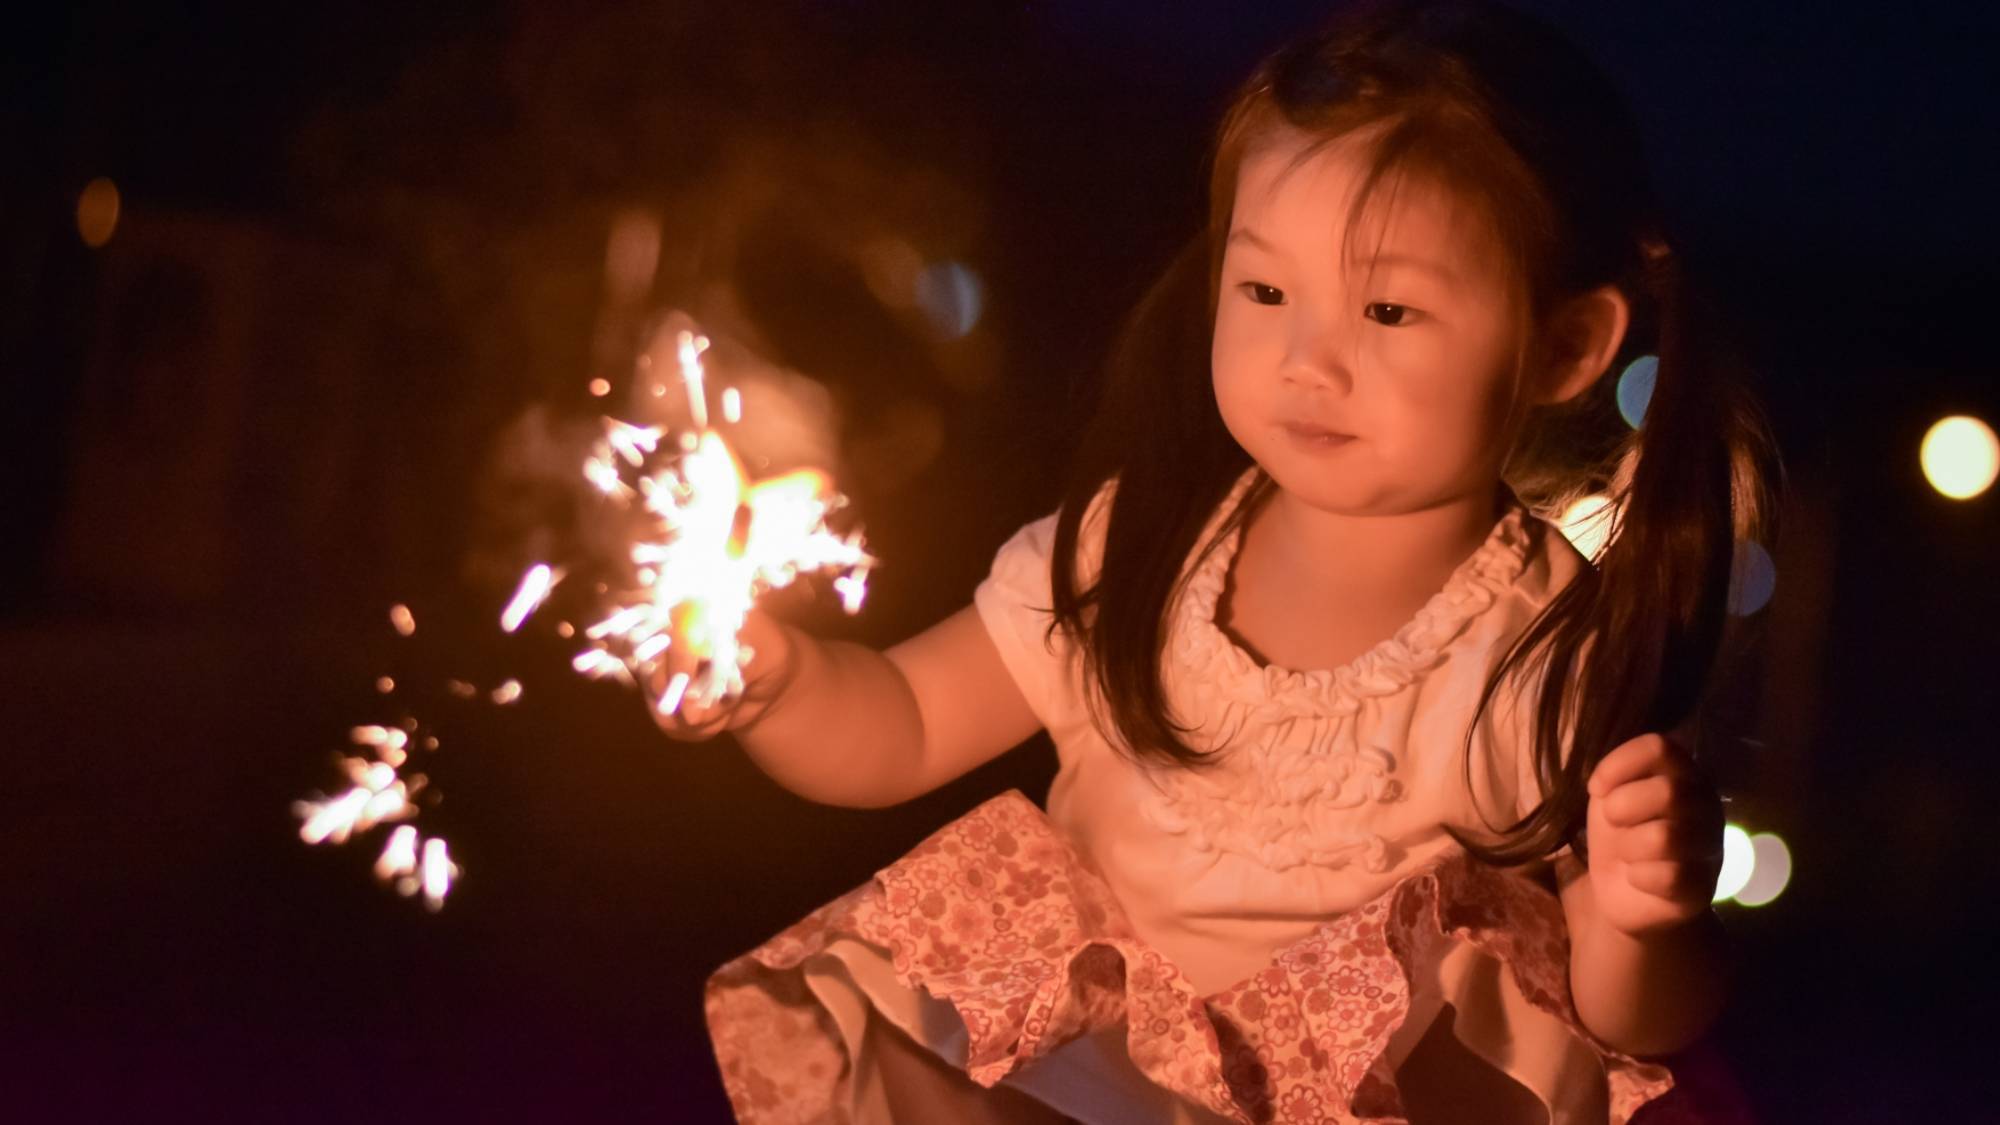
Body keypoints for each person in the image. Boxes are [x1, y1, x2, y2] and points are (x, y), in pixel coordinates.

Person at [682, 1, 1776, 1121]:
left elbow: (1625, 1016)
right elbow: (905, 721)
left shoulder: (1548, 651)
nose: (1306, 361)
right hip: (1081, 1086)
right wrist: (778, 686)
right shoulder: (1133, 554)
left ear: (1562, 348)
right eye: (1262, 292)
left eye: (1387, 310)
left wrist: (1648, 915)